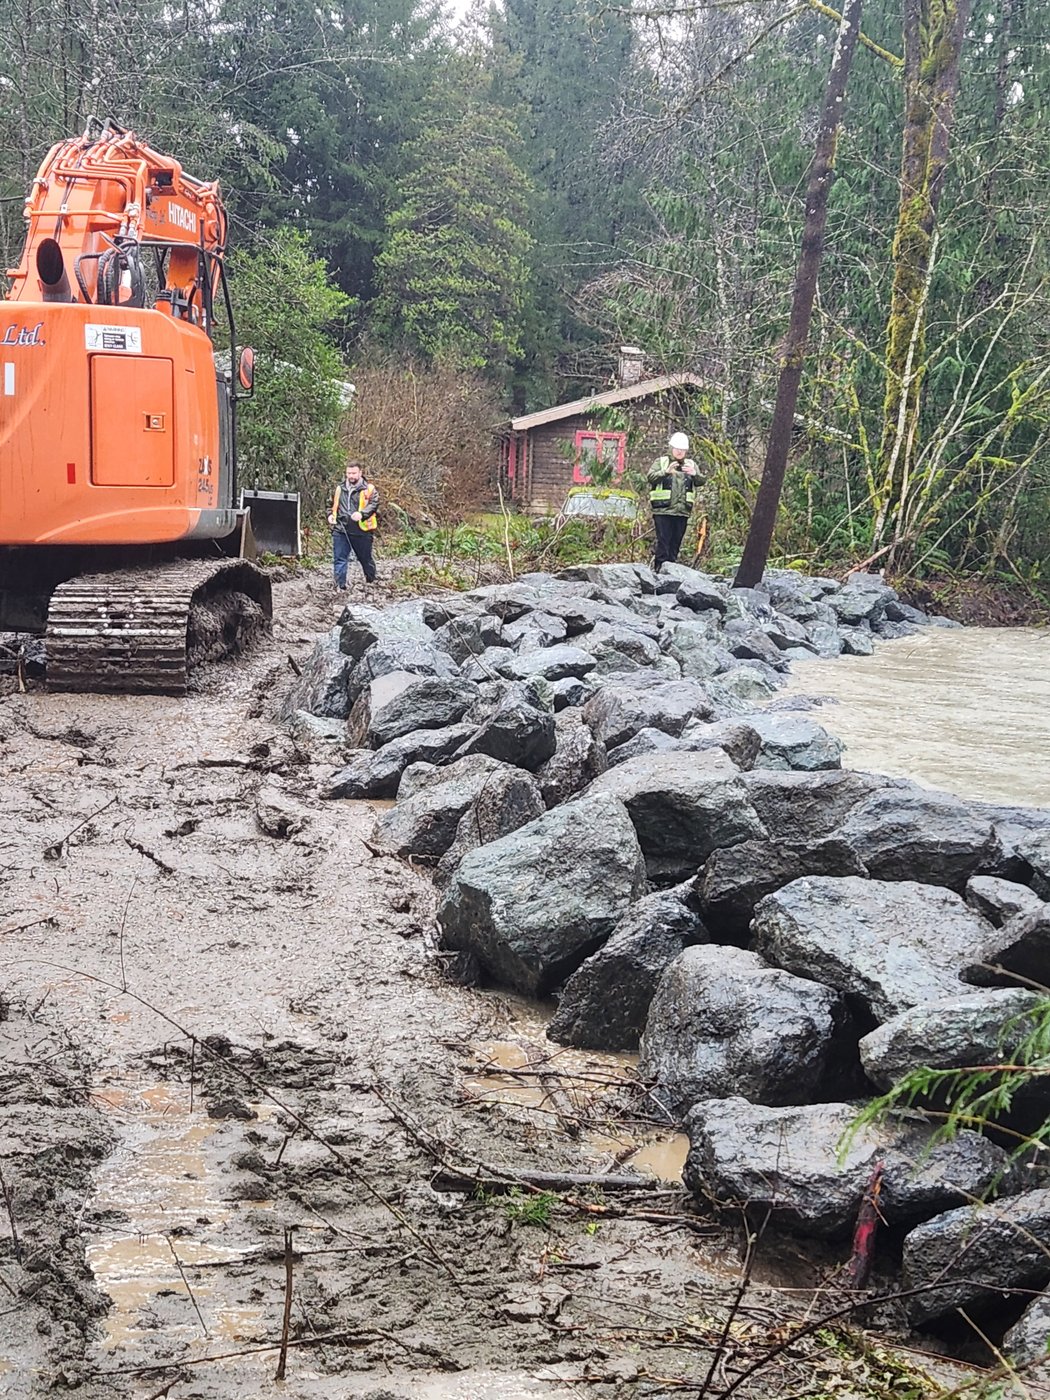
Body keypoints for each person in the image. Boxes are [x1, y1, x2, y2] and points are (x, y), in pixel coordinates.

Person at [647, 431, 700, 569]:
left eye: (682, 449)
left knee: (675, 543)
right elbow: (650, 477)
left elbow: (701, 481)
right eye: (677, 448)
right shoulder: (661, 462)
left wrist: (695, 474)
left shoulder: (691, 464)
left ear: (686, 450)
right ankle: (659, 570)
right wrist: (665, 472)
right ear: (671, 448)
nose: (680, 451)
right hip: (662, 510)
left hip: (682, 511)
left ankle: (671, 571)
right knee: (663, 542)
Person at [329, 460, 379, 590]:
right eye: (348, 473)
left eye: (353, 473)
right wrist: (329, 515)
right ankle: (340, 586)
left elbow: (374, 505)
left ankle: (371, 582)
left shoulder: (369, 489)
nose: (351, 476)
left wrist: (362, 514)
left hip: (362, 531)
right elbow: (330, 504)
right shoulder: (339, 488)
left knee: (365, 559)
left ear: (360, 473)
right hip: (341, 529)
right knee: (340, 559)